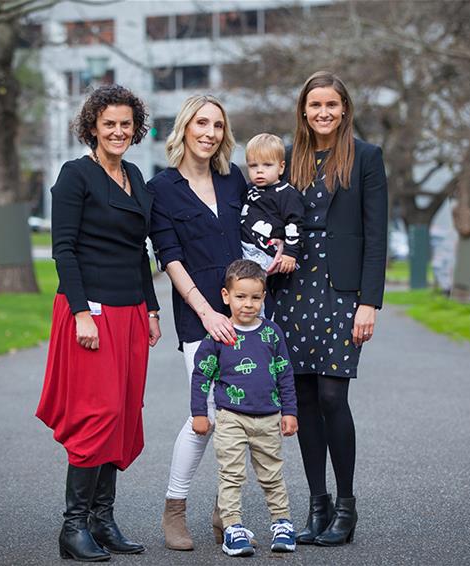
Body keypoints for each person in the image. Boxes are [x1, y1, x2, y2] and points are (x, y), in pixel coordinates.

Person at [148, 95, 284, 550]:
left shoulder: (234, 181)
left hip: (247, 315)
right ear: (185, 127)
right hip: (200, 317)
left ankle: (226, 512)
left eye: (218, 125)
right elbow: (170, 257)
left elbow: (254, 234)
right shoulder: (162, 188)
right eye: (201, 123)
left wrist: (278, 251)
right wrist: (206, 312)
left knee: (247, 410)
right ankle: (175, 509)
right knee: (205, 415)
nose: (209, 133)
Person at [35, 84, 161, 562]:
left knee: (124, 413)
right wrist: (80, 311)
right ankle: (73, 528)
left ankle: (102, 521)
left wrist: (150, 307)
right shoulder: (75, 176)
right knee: (98, 415)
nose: (118, 131)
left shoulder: (134, 175)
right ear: (92, 127)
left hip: (130, 311)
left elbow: (139, 250)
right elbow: (62, 249)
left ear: (136, 129)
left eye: (126, 124)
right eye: (108, 123)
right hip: (90, 312)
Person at [275, 71, 388, 547]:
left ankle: (345, 504)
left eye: (332, 105)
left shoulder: (365, 157)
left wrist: (370, 302)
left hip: (341, 292)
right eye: (314, 105)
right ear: (303, 110)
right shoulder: (288, 157)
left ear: (344, 109)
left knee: (332, 397)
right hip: (292, 289)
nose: (323, 112)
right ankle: (316, 505)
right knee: (302, 401)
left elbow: (376, 235)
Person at [190, 260, 299, 557]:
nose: (248, 304)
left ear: (264, 297)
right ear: (226, 296)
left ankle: (282, 523)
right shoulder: (219, 335)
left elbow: (284, 373)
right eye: (241, 297)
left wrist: (290, 411)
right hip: (231, 417)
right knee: (231, 475)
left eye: (255, 297)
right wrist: (199, 413)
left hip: (268, 417)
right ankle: (233, 528)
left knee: (272, 474)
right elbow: (201, 375)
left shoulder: (272, 334)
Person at [240, 133, 304, 316]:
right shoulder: (248, 190)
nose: (259, 171)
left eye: (267, 165)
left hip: (265, 254)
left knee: (253, 287)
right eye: (253, 166)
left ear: (281, 167)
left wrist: (290, 254)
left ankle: (259, 322)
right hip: (244, 249)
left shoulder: (286, 194)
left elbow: (294, 224)